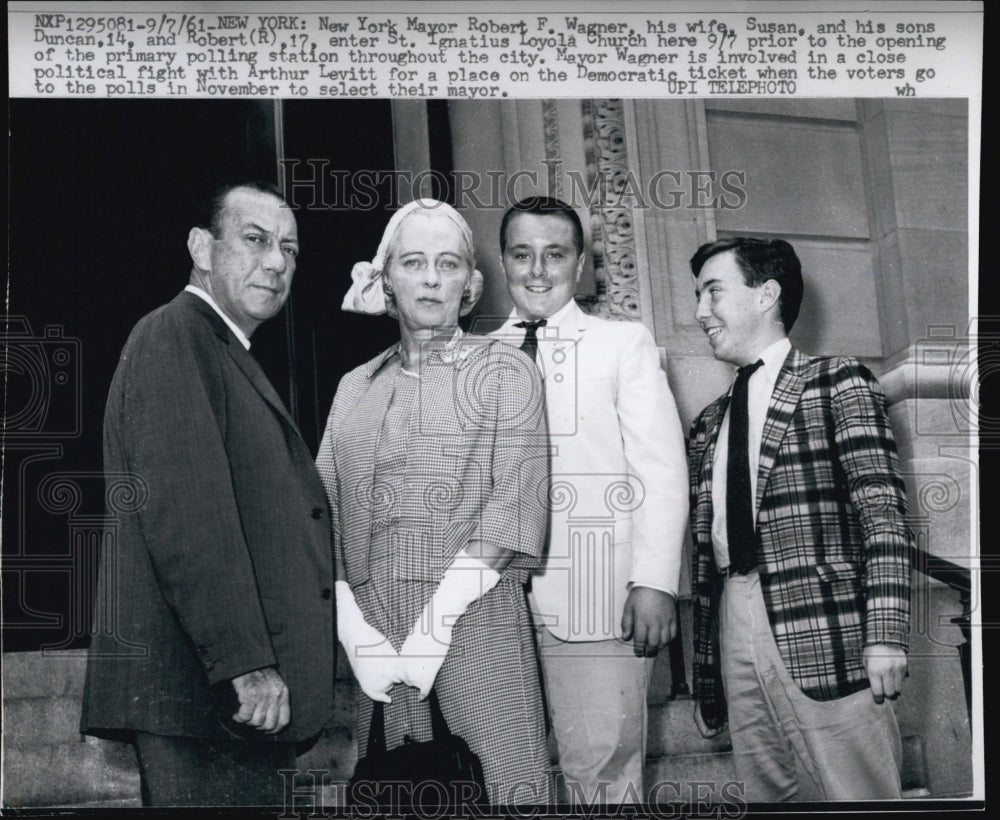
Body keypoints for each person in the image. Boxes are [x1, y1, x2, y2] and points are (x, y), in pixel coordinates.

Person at [80, 181, 335, 807]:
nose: (276, 262)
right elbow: (189, 520)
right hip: (208, 700)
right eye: (255, 240)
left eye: (289, 249)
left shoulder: (218, 348)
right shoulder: (174, 335)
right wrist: (245, 664)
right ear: (201, 248)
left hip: (220, 705)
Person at [317, 199, 552, 806]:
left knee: (498, 789)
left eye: (447, 264)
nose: (429, 279)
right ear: (385, 280)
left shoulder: (507, 371)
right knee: (397, 795)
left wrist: (435, 625)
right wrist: (354, 633)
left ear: (469, 286)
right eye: (413, 262)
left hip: (475, 619)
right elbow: (322, 514)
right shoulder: (353, 387)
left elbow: (514, 502)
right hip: (376, 632)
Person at [687, 237, 912, 801]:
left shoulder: (836, 380)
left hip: (826, 627)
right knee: (768, 796)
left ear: (766, 295)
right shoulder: (710, 422)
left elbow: (883, 512)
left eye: (713, 292)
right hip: (735, 617)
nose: (699, 312)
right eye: (697, 296)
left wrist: (886, 634)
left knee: (860, 796)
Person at [490, 197, 689, 805]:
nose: (537, 270)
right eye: (522, 254)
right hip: (492, 605)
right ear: (502, 262)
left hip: (595, 597)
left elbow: (660, 468)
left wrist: (654, 580)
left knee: (602, 773)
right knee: (506, 781)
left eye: (555, 255)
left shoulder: (621, 343)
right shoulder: (472, 356)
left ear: (579, 266)